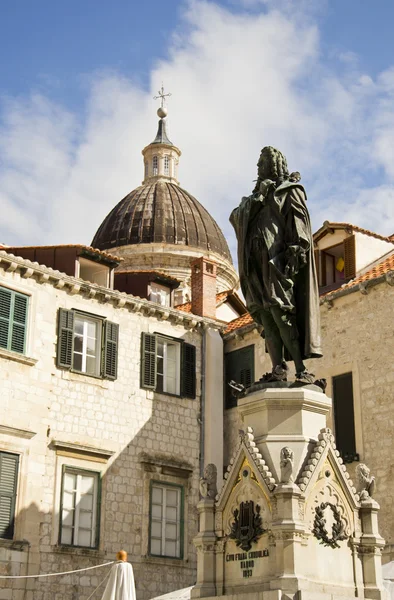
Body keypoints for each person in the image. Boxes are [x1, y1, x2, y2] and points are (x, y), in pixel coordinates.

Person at [230, 146, 322, 383]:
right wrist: (256, 201)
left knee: (280, 313)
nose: (259, 168)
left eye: (263, 163)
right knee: (265, 315)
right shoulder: (253, 199)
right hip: (255, 264)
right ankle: (278, 368)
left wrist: (294, 253)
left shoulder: (289, 191)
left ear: (275, 165)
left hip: (276, 262)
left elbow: (299, 223)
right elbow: (236, 217)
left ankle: (301, 369)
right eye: (259, 164)